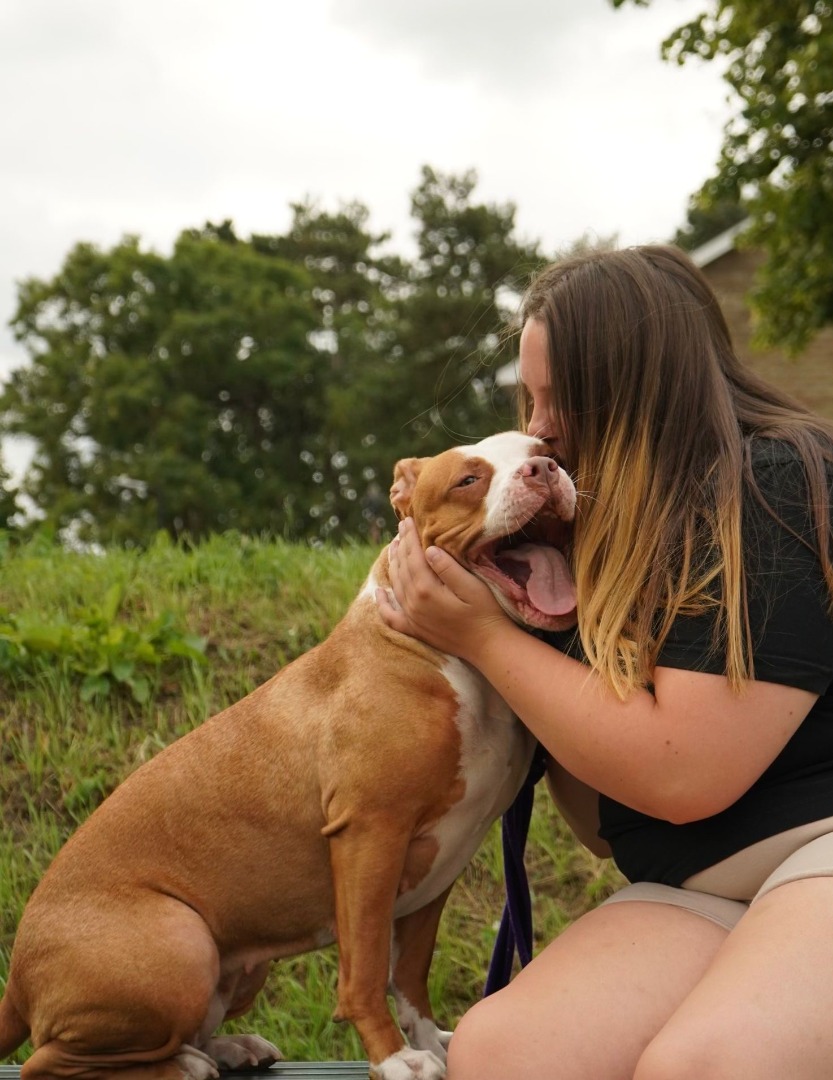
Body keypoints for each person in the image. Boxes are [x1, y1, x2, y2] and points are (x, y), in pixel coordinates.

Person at [375, 243, 833, 1080]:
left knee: (713, 1063)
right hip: (696, 886)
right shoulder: (590, 538)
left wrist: (485, 638)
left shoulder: (772, 484)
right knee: (507, 1052)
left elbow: (684, 774)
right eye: (530, 395)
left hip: (818, 846)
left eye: (563, 398)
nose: (539, 426)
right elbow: (597, 829)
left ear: (640, 387)